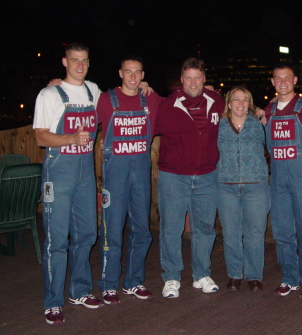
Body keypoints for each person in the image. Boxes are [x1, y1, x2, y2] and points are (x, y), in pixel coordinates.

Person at [33, 43, 103, 325]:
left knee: (87, 234)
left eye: (84, 61)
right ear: (64, 62)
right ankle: (53, 302)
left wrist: (143, 84)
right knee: (57, 241)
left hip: (86, 172)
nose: (80, 66)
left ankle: (79, 291)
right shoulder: (49, 94)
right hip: (58, 173)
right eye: (74, 61)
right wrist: (71, 139)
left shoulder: (93, 91)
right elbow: (40, 137)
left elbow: (120, 98)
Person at [155, 58, 225, 298]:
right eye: (189, 78)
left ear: (204, 79)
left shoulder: (216, 102)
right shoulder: (166, 105)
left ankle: (201, 274)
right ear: (182, 79)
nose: (193, 82)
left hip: (207, 175)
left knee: (205, 228)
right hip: (174, 176)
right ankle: (172, 277)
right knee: (171, 228)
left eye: (198, 77)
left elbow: (240, 108)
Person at [96, 55, 163, 304]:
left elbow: (180, 106)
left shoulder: (151, 101)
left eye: (138, 72)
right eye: (128, 72)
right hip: (115, 176)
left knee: (142, 231)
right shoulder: (105, 100)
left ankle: (134, 282)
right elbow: (78, 111)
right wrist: (57, 86)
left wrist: (208, 91)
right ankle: (109, 284)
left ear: (143, 75)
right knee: (111, 231)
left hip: (141, 176)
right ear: (120, 74)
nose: (133, 76)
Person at [264, 64, 302, 299]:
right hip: (278, 178)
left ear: (295, 80)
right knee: (282, 231)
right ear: (272, 82)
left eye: (287, 78)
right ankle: (289, 278)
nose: (282, 82)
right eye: (278, 78)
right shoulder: (268, 110)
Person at [217, 86, 270, 291]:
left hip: (256, 185)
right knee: (231, 233)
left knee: (255, 233)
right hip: (226, 186)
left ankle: (254, 275)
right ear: (229, 103)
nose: (240, 104)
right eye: (236, 99)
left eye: (245, 100)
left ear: (250, 104)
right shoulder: (219, 125)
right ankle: (234, 274)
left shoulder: (259, 124)